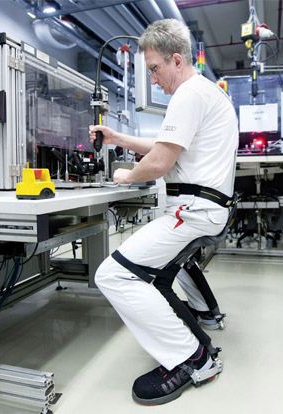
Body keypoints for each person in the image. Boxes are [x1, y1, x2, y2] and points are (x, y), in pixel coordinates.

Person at [89, 19, 238, 405]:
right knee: (154, 271)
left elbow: (157, 162)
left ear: (176, 60)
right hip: (204, 208)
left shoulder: (188, 94)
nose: (153, 78)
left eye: (154, 68)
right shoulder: (205, 92)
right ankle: (196, 324)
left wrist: (125, 176)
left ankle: (194, 359)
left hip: (194, 211)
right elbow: (163, 144)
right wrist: (118, 137)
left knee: (114, 274)